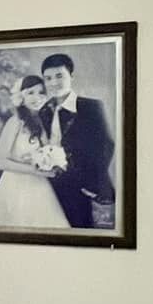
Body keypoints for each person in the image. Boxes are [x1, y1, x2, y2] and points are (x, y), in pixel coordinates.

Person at [0, 76, 70, 230]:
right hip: (15, 185)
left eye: (41, 92)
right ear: (21, 97)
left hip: (40, 186)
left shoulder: (41, 122)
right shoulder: (15, 121)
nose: (37, 97)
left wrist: (53, 163)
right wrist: (35, 170)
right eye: (31, 93)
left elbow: (47, 150)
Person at [40, 53, 115, 230]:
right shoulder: (43, 110)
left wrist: (87, 183)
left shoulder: (91, 107)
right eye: (48, 78)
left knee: (83, 230)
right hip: (51, 184)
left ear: (71, 76)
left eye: (59, 76)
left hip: (84, 187)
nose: (53, 82)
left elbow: (106, 145)